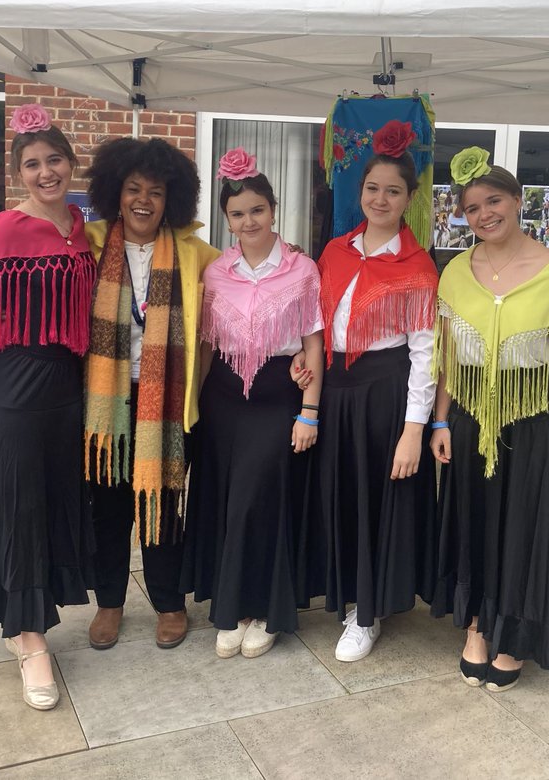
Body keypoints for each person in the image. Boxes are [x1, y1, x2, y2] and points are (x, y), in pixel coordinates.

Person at [0, 103, 97, 712]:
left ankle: (28, 616)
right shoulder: (8, 228)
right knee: (20, 509)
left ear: (71, 162)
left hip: (66, 391)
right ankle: (29, 641)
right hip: (13, 390)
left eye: (54, 159)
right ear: (19, 174)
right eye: (32, 164)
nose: (45, 172)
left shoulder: (80, 227)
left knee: (51, 502)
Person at [430, 147, 549, 693]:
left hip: (532, 418)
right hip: (473, 416)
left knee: (522, 527)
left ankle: (515, 633)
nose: (483, 215)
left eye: (493, 201)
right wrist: (440, 422)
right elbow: (448, 356)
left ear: (518, 202)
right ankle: (477, 624)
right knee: (475, 520)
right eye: (472, 208)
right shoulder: (455, 271)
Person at [181, 148, 324, 659]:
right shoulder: (216, 272)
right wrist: (190, 407)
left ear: (273, 209)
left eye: (257, 211)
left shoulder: (302, 269)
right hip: (222, 399)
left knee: (261, 500)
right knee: (224, 499)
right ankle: (233, 608)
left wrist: (309, 409)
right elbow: (204, 342)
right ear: (227, 218)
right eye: (238, 214)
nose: (249, 222)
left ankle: (266, 609)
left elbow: (312, 344)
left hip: (277, 397)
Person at [82, 136, 220, 651]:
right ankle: (110, 605)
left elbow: (239, 302)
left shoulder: (197, 252)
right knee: (109, 507)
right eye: (133, 188)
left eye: (156, 191)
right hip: (106, 401)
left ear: (172, 198)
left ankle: (168, 603)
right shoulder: (89, 242)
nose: (144, 199)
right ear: (114, 191)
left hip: (166, 400)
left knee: (162, 502)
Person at [311, 119, 439, 662]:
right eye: (372, 188)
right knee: (340, 497)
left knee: (374, 504)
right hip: (335, 391)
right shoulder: (336, 251)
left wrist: (414, 431)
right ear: (358, 192)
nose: (380, 198)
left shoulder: (417, 266)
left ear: (410, 199)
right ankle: (343, 595)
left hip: (385, 397)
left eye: (393, 190)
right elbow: (317, 323)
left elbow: (425, 356)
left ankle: (368, 612)